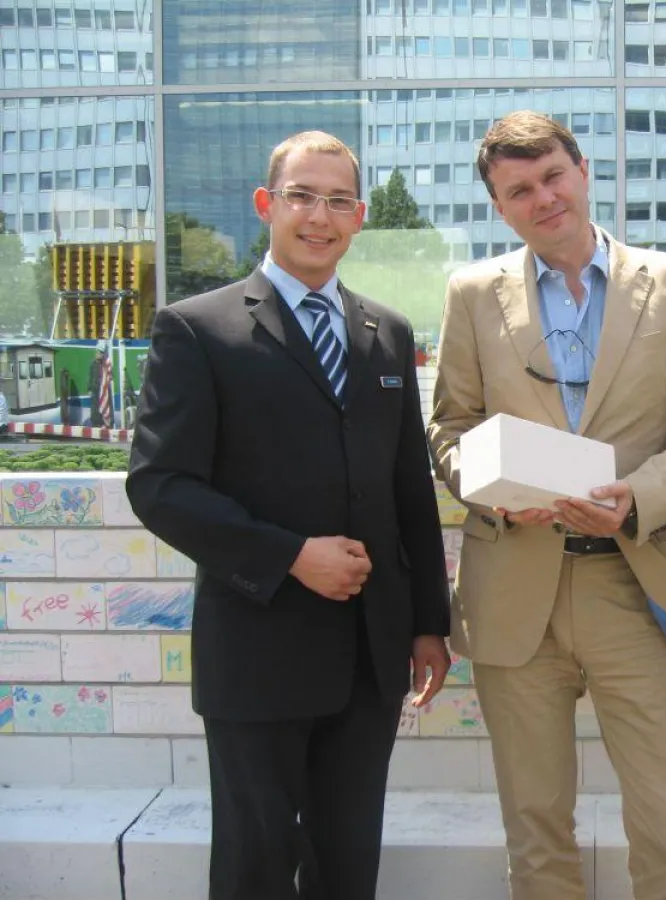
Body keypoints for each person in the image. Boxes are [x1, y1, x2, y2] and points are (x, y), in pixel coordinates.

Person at [427, 110, 666, 900]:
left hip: (631, 583)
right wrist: (497, 492)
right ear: (500, 206)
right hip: (514, 589)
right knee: (535, 825)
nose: (542, 198)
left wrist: (640, 497)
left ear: (583, 170)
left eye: (552, 176)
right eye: (519, 190)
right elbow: (449, 428)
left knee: (665, 819)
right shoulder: (471, 294)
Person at [126, 131, 451, 900]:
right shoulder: (198, 329)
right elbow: (161, 484)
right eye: (302, 195)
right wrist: (289, 555)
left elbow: (409, 491)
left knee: (348, 866)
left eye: (339, 200)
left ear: (360, 217)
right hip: (258, 650)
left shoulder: (387, 334)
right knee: (256, 864)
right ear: (267, 205)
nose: (320, 215)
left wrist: (428, 622)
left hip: (371, 660)